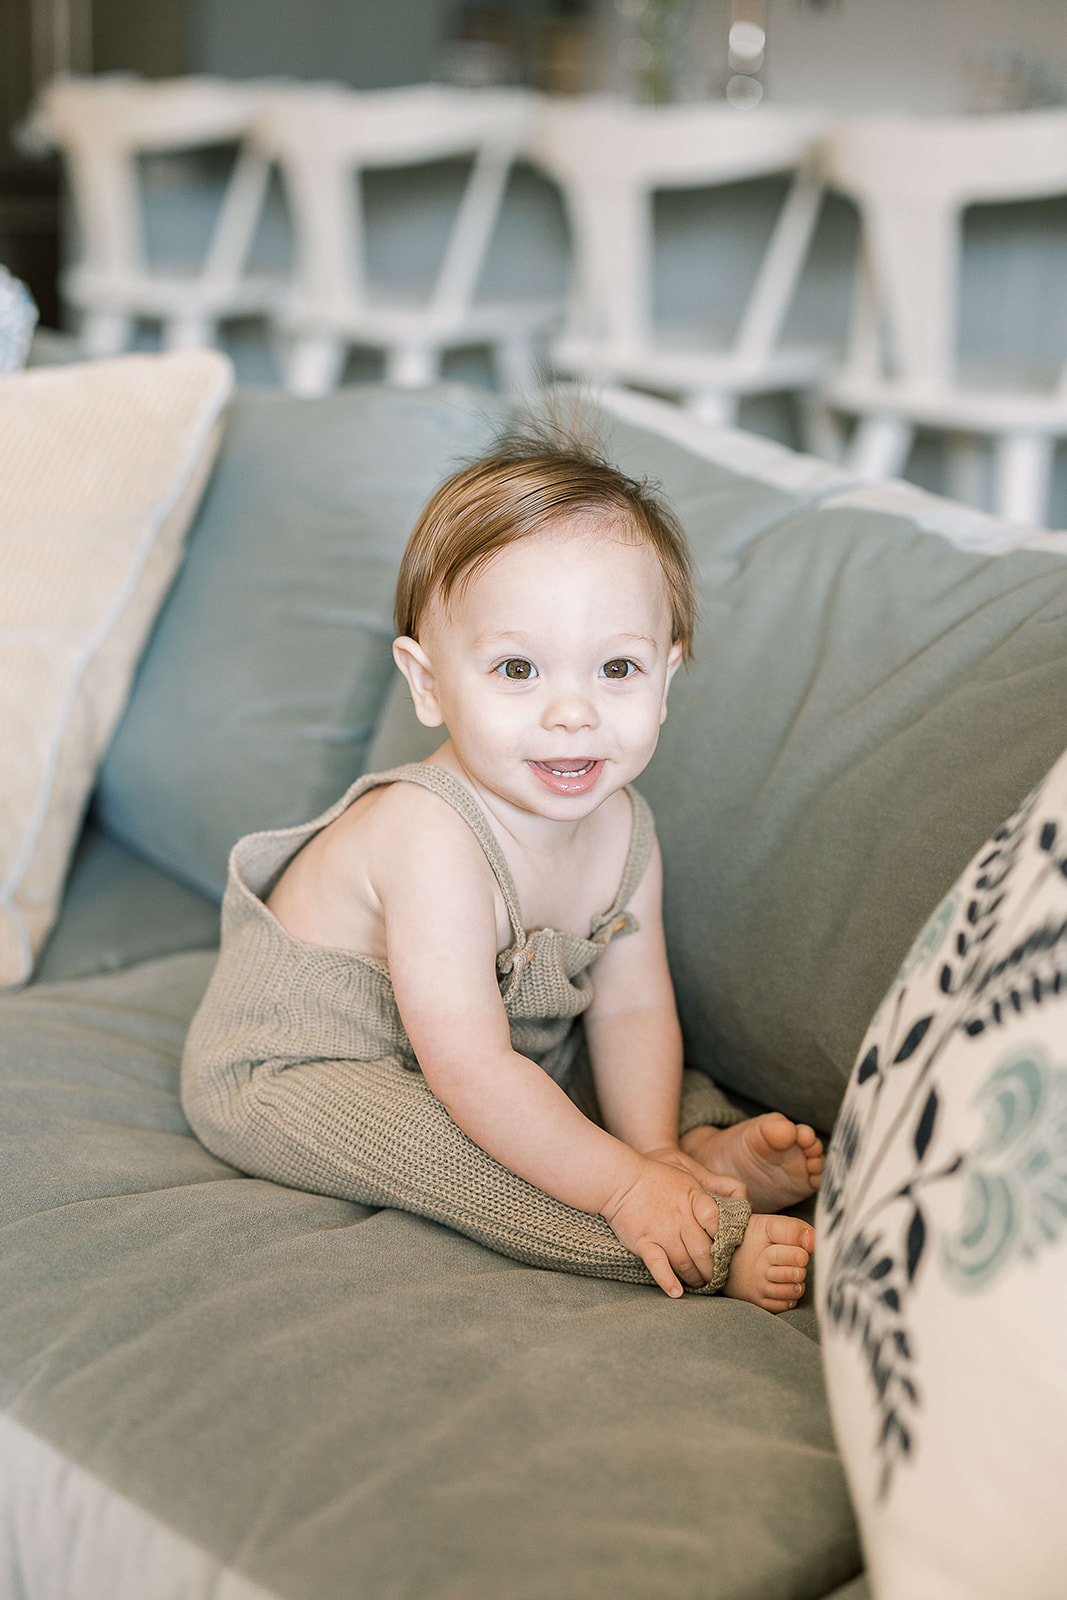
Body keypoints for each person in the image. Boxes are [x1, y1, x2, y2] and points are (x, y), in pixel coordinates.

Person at [182, 425, 821, 1305]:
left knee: (620, 1071)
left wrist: (655, 1148)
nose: (571, 712)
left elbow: (633, 1007)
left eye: (617, 668)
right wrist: (624, 1183)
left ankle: (692, 1158)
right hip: (303, 1068)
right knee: (457, 1148)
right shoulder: (429, 833)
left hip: (487, 1045)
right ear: (428, 682)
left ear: (667, 679)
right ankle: (691, 1241)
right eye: (517, 668)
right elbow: (473, 1074)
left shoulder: (625, 828)